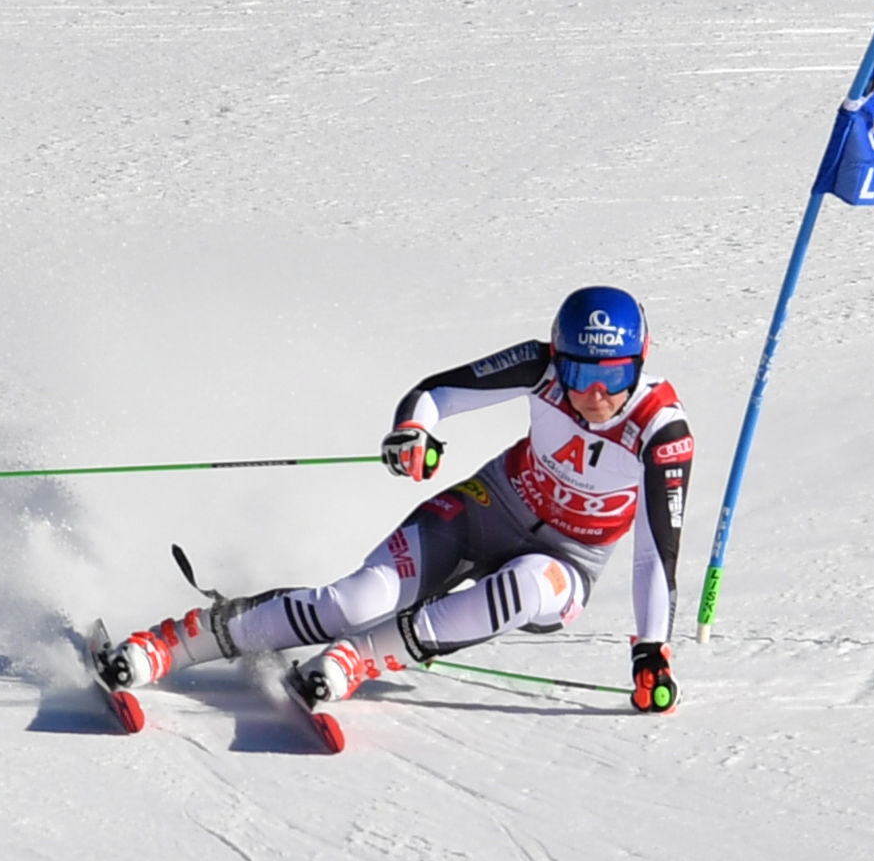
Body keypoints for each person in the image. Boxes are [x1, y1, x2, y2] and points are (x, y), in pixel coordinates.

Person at [95, 285, 695, 715]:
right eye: (580, 373)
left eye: (613, 376)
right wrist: (415, 431)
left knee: (527, 587)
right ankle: (174, 642)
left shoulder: (661, 434)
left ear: (638, 365)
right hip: (489, 506)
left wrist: (651, 652)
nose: (594, 394)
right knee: (359, 600)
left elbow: (654, 557)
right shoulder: (540, 367)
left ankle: (360, 660)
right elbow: (436, 394)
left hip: (569, 563)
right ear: (559, 358)